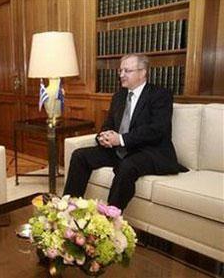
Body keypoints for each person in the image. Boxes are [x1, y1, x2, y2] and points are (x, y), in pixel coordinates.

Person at [63, 54, 187, 211]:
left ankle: (109, 220)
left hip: (148, 152)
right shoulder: (119, 96)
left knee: (127, 166)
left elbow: (157, 130)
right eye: (120, 70)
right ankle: (68, 210)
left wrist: (121, 139)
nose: (121, 75)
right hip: (120, 150)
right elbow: (109, 123)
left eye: (127, 71)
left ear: (142, 72)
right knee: (80, 156)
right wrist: (103, 136)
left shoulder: (160, 95)